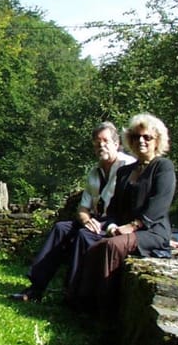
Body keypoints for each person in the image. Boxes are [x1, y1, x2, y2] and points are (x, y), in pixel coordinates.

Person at [10, 121, 134, 302]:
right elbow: (83, 208)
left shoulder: (128, 166)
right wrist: (85, 219)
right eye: (97, 142)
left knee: (84, 235)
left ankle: (72, 294)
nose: (101, 145)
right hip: (95, 219)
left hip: (115, 221)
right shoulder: (94, 172)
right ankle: (35, 288)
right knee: (61, 228)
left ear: (116, 144)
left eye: (105, 141)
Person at [70, 113, 176, 314]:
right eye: (136, 137)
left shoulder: (163, 167)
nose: (141, 141)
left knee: (110, 247)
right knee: (93, 247)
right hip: (124, 230)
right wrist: (111, 226)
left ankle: (106, 315)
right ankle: (80, 304)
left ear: (157, 141)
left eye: (147, 137)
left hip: (152, 232)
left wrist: (133, 226)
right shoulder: (125, 172)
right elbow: (114, 209)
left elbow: (159, 205)